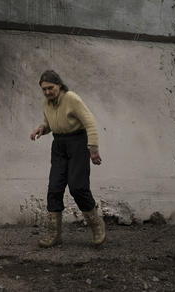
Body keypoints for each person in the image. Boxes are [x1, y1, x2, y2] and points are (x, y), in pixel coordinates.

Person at [29, 70, 106, 247]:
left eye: (50, 88)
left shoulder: (71, 98)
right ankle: (54, 234)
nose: (47, 92)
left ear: (59, 85)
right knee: (54, 188)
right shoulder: (47, 103)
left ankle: (97, 225)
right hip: (59, 145)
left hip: (78, 142)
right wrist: (41, 129)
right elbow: (50, 123)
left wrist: (93, 149)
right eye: (44, 89)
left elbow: (90, 122)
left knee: (78, 187)